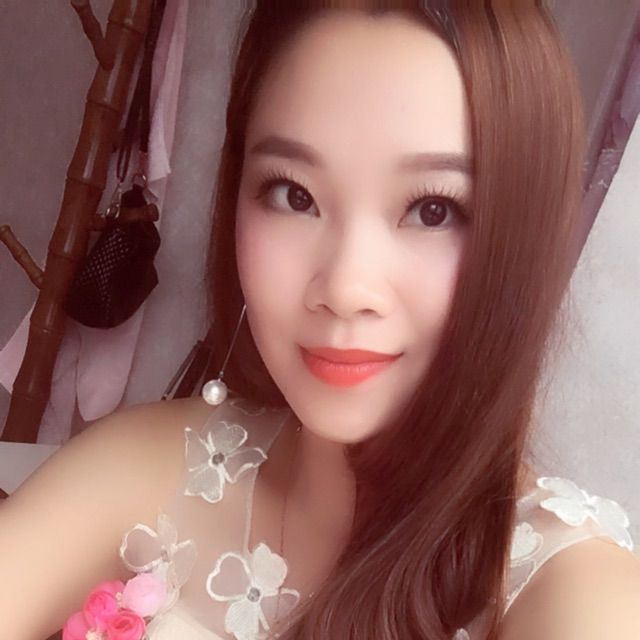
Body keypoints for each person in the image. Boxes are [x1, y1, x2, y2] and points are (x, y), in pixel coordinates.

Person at [1, 3, 639, 639]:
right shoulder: (151, 466)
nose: (345, 289)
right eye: (294, 195)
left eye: (434, 210)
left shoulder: (577, 594)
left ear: (523, 240)